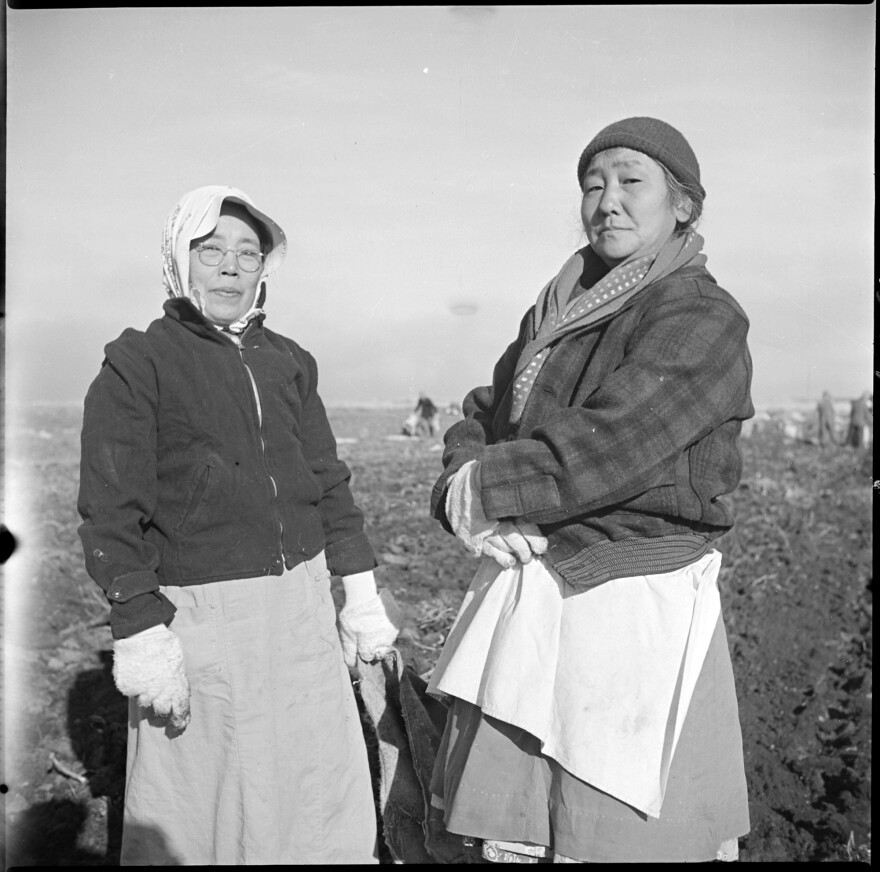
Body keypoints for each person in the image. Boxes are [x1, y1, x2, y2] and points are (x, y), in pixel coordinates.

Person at [425, 118, 753, 863]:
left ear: (684, 205)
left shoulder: (700, 316)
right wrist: (460, 485)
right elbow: (488, 408)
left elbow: (615, 443)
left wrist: (490, 486)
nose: (607, 200)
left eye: (631, 181)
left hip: (629, 604)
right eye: (593, 184)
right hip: (535, 600)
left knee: (612, 833)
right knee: (522, 834)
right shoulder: (561, 308)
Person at [77, 185, 402, 865]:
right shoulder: (138, 363)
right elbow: (110, 509)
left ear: (264, 269)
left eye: (247, 252)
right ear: (178, 258)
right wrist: (139, 628)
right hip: (203, 616)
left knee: (312, 788)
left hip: (302, 610)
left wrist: (361, 596)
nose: (230, 266)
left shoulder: (288, 360)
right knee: (211, 798)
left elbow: (327, 482)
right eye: (211, 249)